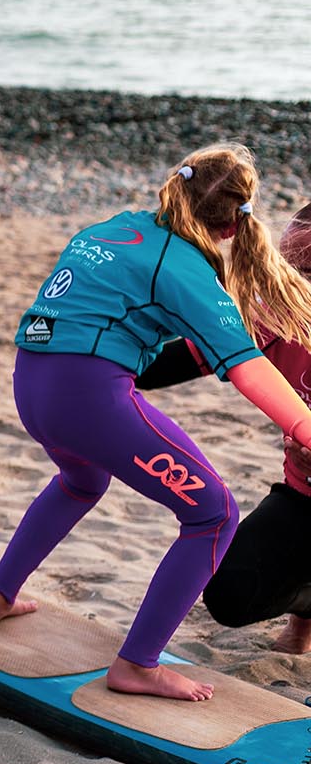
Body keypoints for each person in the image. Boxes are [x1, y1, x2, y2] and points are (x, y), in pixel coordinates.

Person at [0, 143, 311, 701]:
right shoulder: (185, 270)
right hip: (87, 397)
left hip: (30, 383)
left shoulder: (114, 228)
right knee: (214, 514)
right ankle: (137, 665)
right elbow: (248, 370)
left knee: (82, 481)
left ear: (172, 188)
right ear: (232, 227)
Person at [137, 202, 311, 655]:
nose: (293, 286)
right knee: (230, 592)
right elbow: (170, 363)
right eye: (290, 271)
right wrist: (86, 347)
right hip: (304, 495)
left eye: (305, 274)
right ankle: (307, 609)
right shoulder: (278, 317)